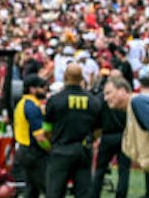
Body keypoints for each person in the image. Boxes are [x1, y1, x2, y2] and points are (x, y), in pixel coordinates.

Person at [44, 64, 104, 198]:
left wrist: (51, 144)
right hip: (83, 151)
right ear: (81, 79)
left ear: (65, 77)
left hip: (60, 150)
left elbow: (47, 129)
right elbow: (99, 130)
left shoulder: (55, 100)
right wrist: (89, 140)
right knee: (83, 192)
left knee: (55, 192)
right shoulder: (93, 101)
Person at [89, 75, 130, 198]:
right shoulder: (124, 100)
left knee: (100, 169)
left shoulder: (102, 99)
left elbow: (96, 118)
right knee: (123, 170)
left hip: (107, 136)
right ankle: (121, 195)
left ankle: (94, 195)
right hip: (123, 135)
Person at [14, 75, 50, 198]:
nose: (45, 89)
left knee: (32, 190)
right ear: (32, 89)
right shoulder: (32, 107)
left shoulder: (22, 103)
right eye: (41, 87)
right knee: (50, 188)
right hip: (34, 153)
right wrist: (49, 149)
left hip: (24, 150)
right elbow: (40, 137)